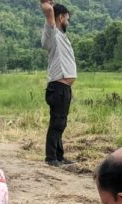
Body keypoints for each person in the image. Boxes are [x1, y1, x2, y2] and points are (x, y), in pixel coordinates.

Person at [40, 0, 77, 167]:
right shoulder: (53, 33)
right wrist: (48, 7)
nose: (68, 21)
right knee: (57, 122)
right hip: (58, 87)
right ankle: (51, 158)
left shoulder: (62, 37)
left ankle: (59, 156)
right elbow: (48, 12)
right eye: (67, 18)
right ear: (60, 17)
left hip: (64, 88)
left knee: (61, 122)